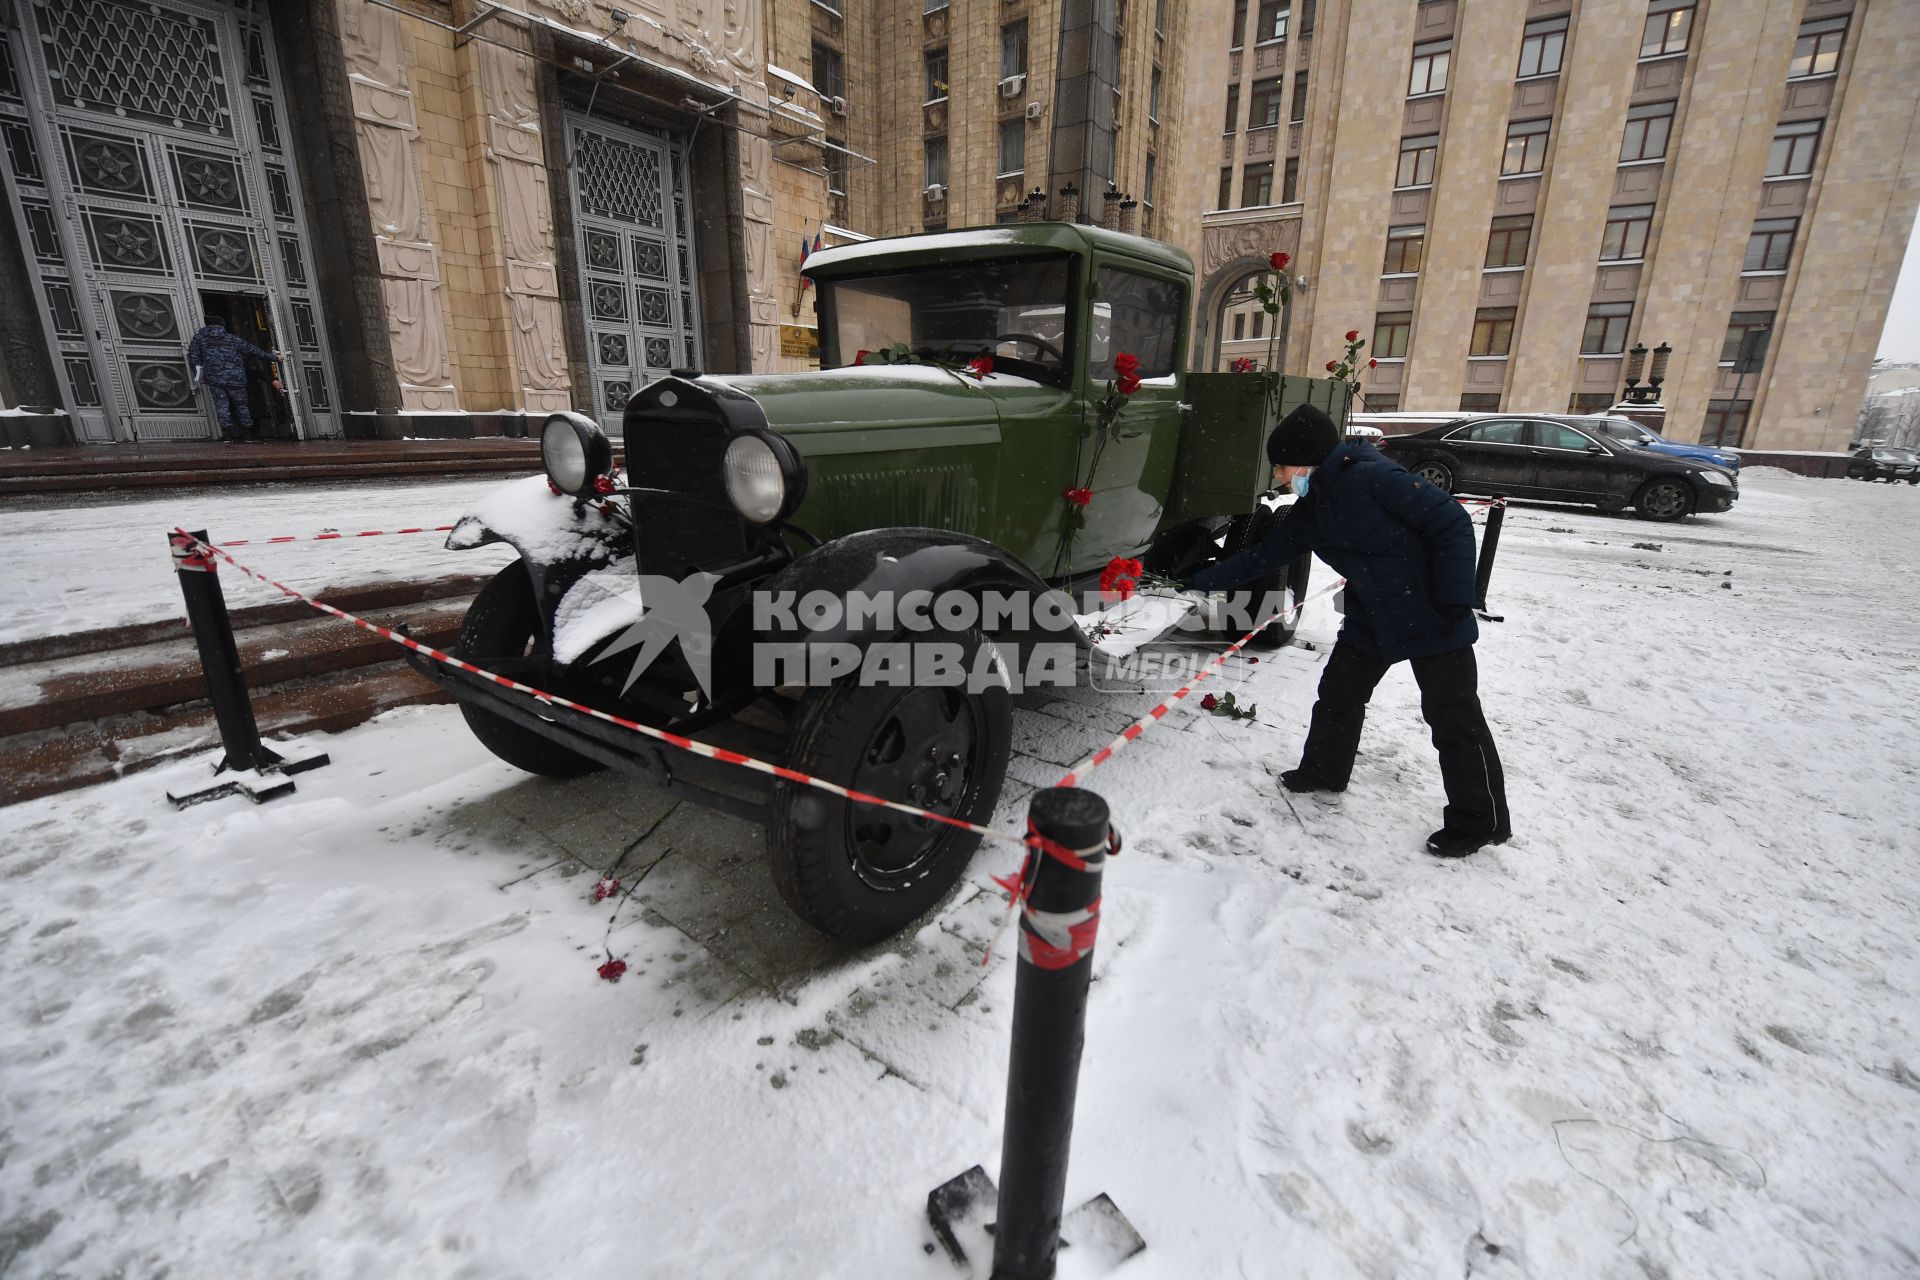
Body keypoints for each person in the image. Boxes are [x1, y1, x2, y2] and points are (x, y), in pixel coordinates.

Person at [1182, 404, 1511, 856]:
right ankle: (1322, 771)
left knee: (1453, 718)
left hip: (1433, 611)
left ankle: (1479, 821)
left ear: (1307, 459)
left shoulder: (1373, 478)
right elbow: (1263, 556)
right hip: (1372, 615)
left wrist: (1456, 598)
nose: (1278, 475)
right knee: (1338, 695)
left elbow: (1451, 521)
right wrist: (1192, 582)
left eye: (1281, 465)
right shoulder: (1311, 508)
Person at [187, 315, 280, 442]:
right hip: (236, 378)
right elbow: (253, 351)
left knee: (222, 406)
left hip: (215, 379)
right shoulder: (232, 338)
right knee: (242, 406)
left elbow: (193, 358)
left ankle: (228, 435)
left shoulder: (199, 339)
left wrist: (201, 376)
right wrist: (274, 358)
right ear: (222, 325)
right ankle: (248, 434)